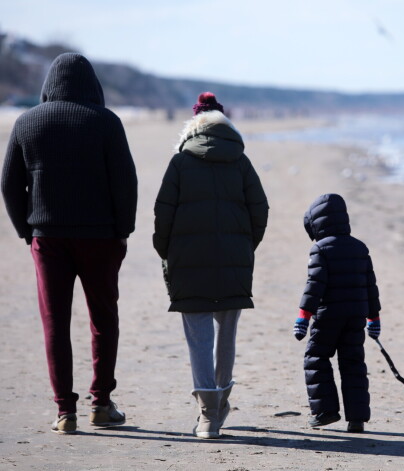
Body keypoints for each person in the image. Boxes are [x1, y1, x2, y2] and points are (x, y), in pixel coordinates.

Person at [1, 53, 138, 434]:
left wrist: (26, 231)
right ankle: (101, 404)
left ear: (49, 85)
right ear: (92, 85)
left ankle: (65, 411)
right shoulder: (106, 122)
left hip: (48, 238)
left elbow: (9, 183)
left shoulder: (27, 122)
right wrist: (123, 230)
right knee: (103, 319)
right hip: (101, 237)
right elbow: (125, 182)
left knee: (54, 323)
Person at [153, 92, 268, 439]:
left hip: (188, 262)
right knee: (227, 336)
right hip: (234, 260)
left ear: (193, 126)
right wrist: (246, 246)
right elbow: (259, 210)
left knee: (199, 340)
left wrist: (167, 252)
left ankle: (207, 416)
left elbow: (163, 214)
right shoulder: (241, 160)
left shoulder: (180, 161)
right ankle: (220, 404)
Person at [293, 193, 381, 433]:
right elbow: (370, 287)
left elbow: (314, 286)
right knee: (353, 363)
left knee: (316, 358)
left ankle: (325, 412)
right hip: (355, 317)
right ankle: (357, 419)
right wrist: (374, 318)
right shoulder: (360, 247)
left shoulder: (320, 249)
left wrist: (303, 317)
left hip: (328, 316)